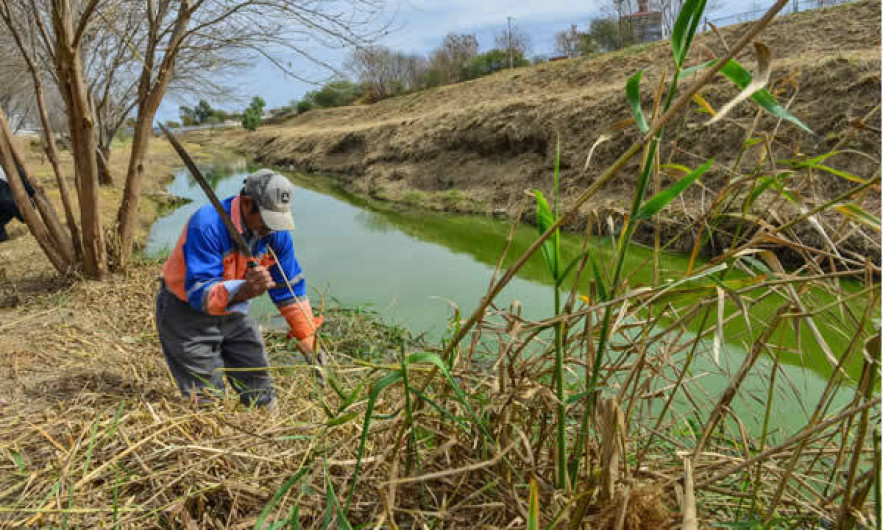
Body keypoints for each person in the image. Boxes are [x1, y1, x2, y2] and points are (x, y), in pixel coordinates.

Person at [155, 169, 322, 408]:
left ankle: (267, 431)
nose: (271, 230)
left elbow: (288, 286)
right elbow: (200, 295)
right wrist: (244, 290)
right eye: (267, 220)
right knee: (207, 398)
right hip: (186, 314)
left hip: (234, 311)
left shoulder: (275, 234)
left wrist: (306, 335)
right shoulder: (207, 225)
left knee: (259, 383)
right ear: (246, 204)